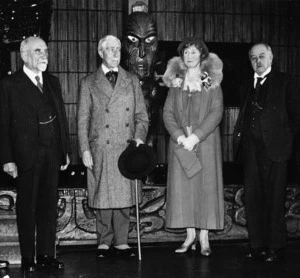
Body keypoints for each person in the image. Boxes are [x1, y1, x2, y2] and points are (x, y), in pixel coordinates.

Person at [0, 36, 71, 272]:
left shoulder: (53, 82)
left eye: (46, 51)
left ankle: (45, 255)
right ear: (24, 55)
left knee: (49, 207)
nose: (44, 55)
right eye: (38, 51)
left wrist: (65, 151)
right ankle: (29, 258)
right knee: (27, 208)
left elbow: (61, 117)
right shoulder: (10, 85)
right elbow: (3, 124)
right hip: (25, 157)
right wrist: (7, 158)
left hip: (52, 155)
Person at [77, 35, 149, 258]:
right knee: (102, 195)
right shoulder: (89, 82)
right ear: (101, 52)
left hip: (125, 147)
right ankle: (104, 240)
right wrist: (84, 149)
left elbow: (141, 116)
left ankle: (121, 240)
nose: (116, 53)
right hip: (101, 147)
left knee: (123, 196)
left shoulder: (132, 80)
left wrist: (139, 137)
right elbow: (82, 120)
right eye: (111, 49)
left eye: (118, 49)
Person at [233, 42, 300, 262]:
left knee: (275, 199)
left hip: (277, 151)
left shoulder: (285, 81)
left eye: (262, 56)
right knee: (253, 199)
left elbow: (296, 117)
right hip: (251, 151)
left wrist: (286, 142)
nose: (258, 61)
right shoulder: (246, 85)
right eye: (253, 58)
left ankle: (276, 247)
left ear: (271, 57)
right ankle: (257, 245)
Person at [162, 37, 224, 256]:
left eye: (193, 52)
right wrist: (180, 137)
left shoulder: (210, 82)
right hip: (181, 144)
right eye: (186, 52)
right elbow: (168, 113)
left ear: (202, 56)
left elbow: (216, 112)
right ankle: (189, 236)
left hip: (205, 143)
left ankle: (204, 238)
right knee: (184, 190)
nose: (189, 56)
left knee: (205, 189)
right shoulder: (176, 83)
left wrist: (195, 137)